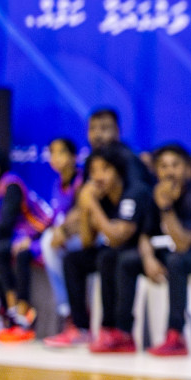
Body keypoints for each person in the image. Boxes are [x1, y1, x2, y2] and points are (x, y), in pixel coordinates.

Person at [43, 147, 156, 349]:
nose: (98, 176)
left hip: (143, 251)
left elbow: (118, 237)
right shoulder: (101, 196)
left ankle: (115, 330)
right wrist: (86, 206)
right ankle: (80, 328)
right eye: (93, 171)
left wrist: (92, 205)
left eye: (105, 169)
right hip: (115, 251)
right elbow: (87, 241)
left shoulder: (134, 192)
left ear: (118, 171)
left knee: (109, 257)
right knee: (74, 260)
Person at [124, 143, 191, 356]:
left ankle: (176, 335)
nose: (169, 171)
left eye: (175, 165)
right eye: (163, 166)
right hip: (180, 253)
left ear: (187, 168)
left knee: (176, 261)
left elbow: (183, 244)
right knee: (128, 260)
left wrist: (167, 208)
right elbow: (145, 235)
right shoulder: (155, 194)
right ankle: (121, 333)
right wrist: (149, 258)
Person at [0, 143, 53, 340]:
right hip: (13, 234)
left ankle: (21, 310)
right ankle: (0, 309)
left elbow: (6, 222)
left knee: (6, 249)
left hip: (37, 231)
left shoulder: (11, 184)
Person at [38, 137, 85, 337]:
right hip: (63, 237)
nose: (55, 158)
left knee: (50, 244)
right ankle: (67, 315)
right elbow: (54, 218)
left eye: (61, 152)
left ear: (74, 157)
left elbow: (83, 214)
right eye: (52, 153)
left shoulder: (82, 180)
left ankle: (72, 315)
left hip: (87, 236)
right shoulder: (57, 183)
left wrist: (63, 231)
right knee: (43, 244)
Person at [86, 106, 152, 189]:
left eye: (104, 128)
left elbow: (138, 190)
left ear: (118, 131)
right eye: (92, 128)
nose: (97, 135)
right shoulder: (89, 159)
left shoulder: (128, 158)